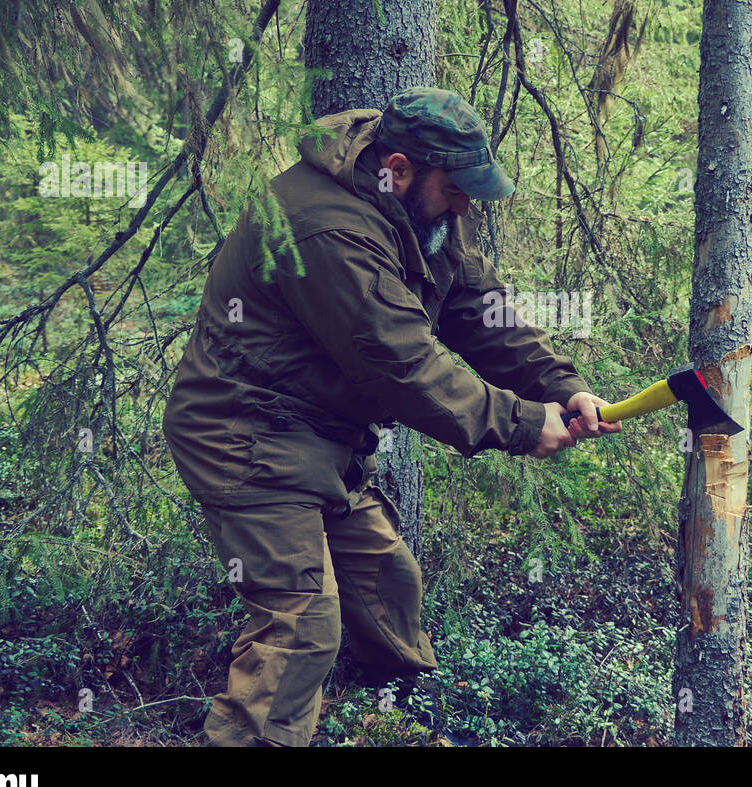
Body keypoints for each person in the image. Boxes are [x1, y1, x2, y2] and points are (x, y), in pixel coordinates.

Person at [162, 86, 620, 746]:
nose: (466, 203)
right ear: (399, 168)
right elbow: (403, 364)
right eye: (456, 188)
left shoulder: (415, 210)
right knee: (299, 626)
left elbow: (475, 308)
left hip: (319, 438)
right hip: (245, 434)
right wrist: (521, 422)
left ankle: (393, 715)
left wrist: (562, 385)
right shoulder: (330, 230)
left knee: (388, 581)